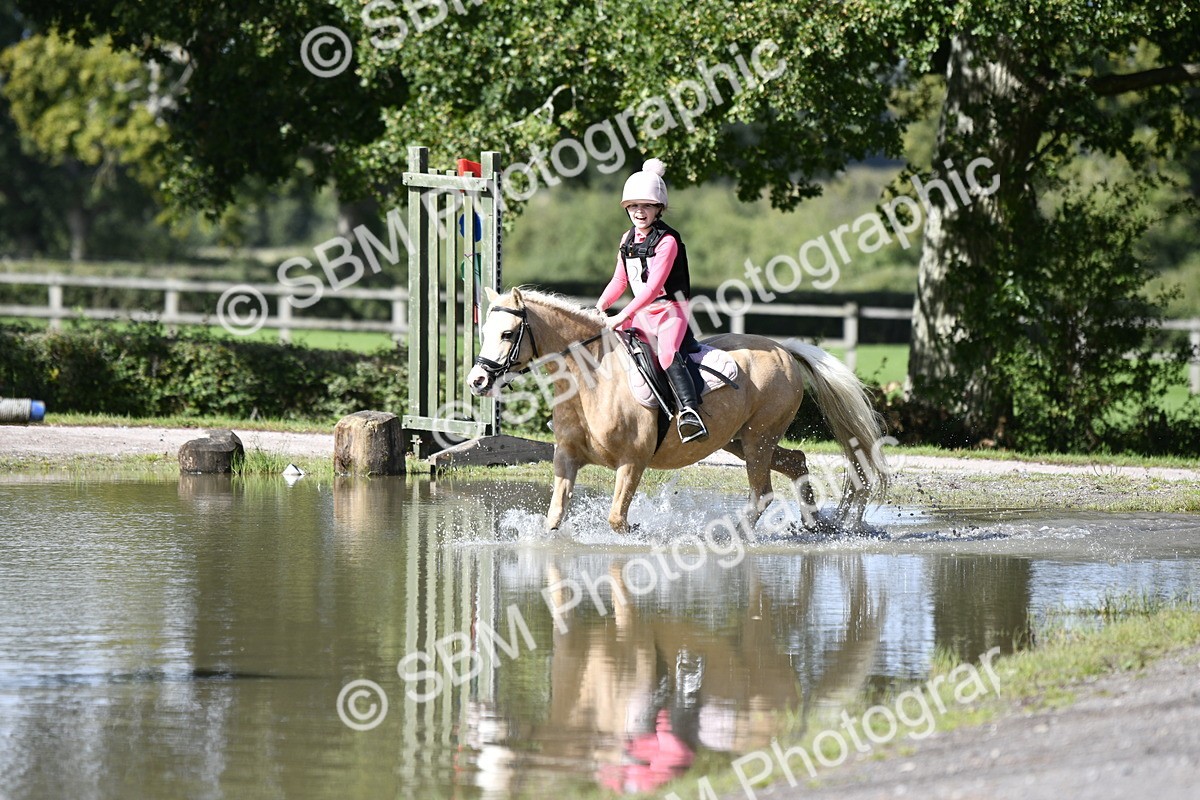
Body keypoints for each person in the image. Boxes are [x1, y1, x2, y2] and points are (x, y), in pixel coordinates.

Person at [596, 158, 708, 443]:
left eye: (646, 206)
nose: (639, 212)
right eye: (633, 206)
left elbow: (653, 286)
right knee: (609, 348)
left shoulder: (668, 241)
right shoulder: (627, 239)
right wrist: (600, 307)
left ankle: (689, 413)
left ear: (659, 208)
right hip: (642, 312)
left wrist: (622, 315)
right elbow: (620, 281)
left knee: (667, 352)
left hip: (672, 309)